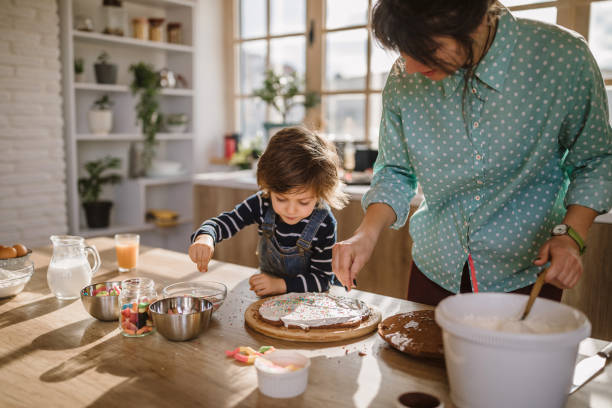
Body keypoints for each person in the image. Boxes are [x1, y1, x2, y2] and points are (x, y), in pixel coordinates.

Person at [333, 0, 612, 306]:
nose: (410, 67)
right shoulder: (405, 77)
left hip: (526, 276)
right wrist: (365, 235)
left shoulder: (561, 57)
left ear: (473, 18)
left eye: (425, 47)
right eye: (404, 49)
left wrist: (569, 235)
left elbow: (596, 160)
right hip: (434, 270)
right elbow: (395, 171)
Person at [189, 127, 348, 296]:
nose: (291, 209)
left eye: (303, 202)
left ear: (319, 193)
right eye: (281, 199)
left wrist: (280, 285)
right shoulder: (262, 203)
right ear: (269, 187)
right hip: (270, 296)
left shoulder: (324, 223)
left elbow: (322, 281)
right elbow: (227, 221)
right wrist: (206, 237)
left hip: (308, 303)